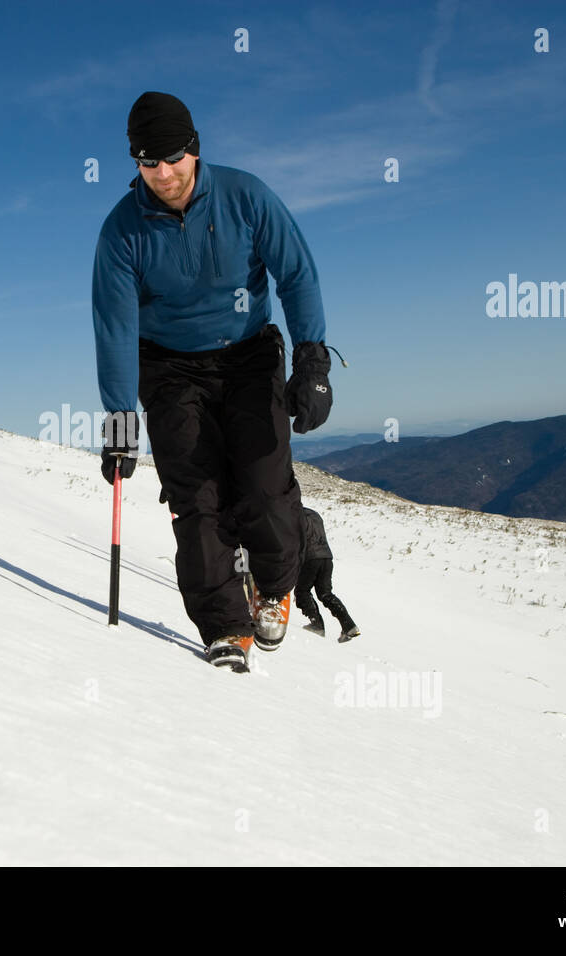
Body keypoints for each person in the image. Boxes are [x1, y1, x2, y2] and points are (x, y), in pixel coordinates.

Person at [92, 91, 337, 672]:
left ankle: (274, 587)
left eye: (173, 157)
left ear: (194, 150)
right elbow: (114, 329)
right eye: (148, 162)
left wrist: (313, 362)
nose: (163, 173)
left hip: (249, 356)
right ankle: (225, 627)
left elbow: (296, 274)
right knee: (195, 500)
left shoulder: (245, 195)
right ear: (136, 164)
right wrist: (121, 421)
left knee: (265, 486)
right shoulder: (121, 232)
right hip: (170, 368)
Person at [295, 507, 360, 642]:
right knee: (325, 593)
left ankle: (316, 624)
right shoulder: (314, 514)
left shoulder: (294, 516)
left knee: (302, 591)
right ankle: (349, 625)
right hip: (326, 557)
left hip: (310, 558)